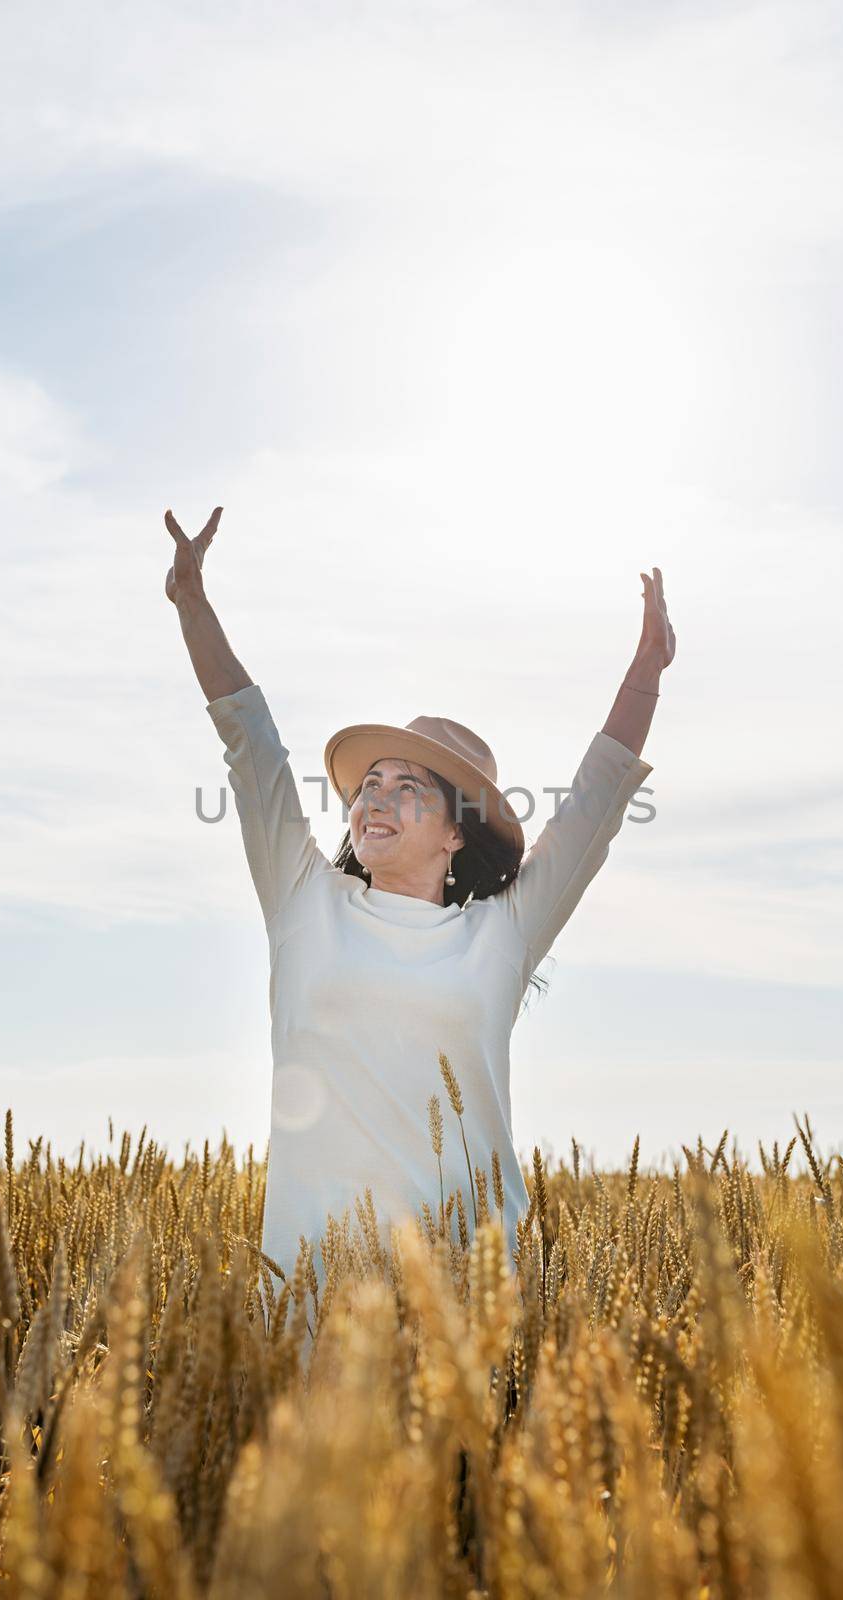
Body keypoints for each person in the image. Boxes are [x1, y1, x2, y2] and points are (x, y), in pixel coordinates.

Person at [165, 506, 675, 1328]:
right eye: (371, 782)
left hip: (468, 1313)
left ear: (453, 834)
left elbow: (595, 805)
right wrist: (193, 605)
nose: (376, 796)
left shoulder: (497, 938)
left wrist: (645, 673)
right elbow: (251, 741)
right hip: (311, 1310)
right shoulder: (306, 904)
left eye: (409, 787)